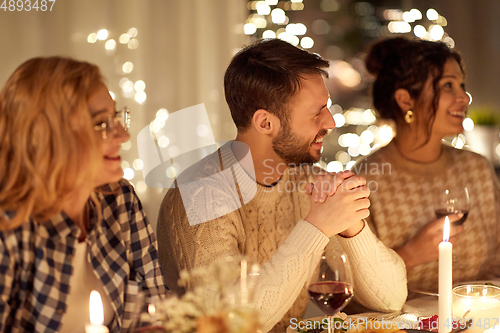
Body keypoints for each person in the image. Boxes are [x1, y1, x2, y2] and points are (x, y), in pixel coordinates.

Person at [157, 39, 407, 332]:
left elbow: (391, 298)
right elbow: (231, 322)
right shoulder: (200, 193)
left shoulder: (308, 179)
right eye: (316, 112)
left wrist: (352, 229)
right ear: (265, 123)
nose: (330, 122)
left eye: (327, 107)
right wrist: (317, 226)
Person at [0, 57, 167, 332]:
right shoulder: (10, 228)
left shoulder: (119, 200)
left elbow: (158, 311)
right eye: (102, 123)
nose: (123, 135)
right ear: (50, 136)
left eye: (115, 117)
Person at [354, 37, 500, 296]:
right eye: (447, 85)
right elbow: (356, 291)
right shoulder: (366, 180)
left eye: (461, 85)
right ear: (406, 100)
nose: (464, 97)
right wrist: (410, 254)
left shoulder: (477, 169)